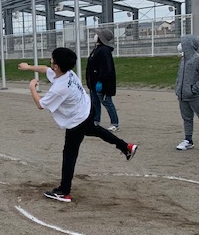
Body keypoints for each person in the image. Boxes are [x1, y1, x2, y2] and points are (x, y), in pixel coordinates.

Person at [18, 47, 138, 202]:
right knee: (95, 130)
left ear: (57, 66)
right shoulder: (67, 72)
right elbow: (45, 69)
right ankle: (126, 146)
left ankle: (64, 191)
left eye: (52, 60)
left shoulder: (59, 88)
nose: (50, 61)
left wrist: (32, 88)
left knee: (69, 153)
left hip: (78, 120)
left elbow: (40, 105)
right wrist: (28, 67)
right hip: (87, 109)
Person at [85, 28, 119, 131]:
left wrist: (100, 81)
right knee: (95, 103)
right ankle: (95, 121)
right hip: (93, 83)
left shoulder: (104, 51)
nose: (95, 36)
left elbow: (106, 68)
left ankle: (114, 123)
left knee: (107, 102)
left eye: (98, 35)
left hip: (102, 83)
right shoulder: (97, 49)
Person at [175, 35, 199, 150]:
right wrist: (178, 88)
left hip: (194, 96)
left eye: (183, 43)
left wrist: (194, 89)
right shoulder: (183, 60)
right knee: (187, 118)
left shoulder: (197, 59)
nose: (180, 46)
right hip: (182, 95)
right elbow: (179, 76)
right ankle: (188, 140)